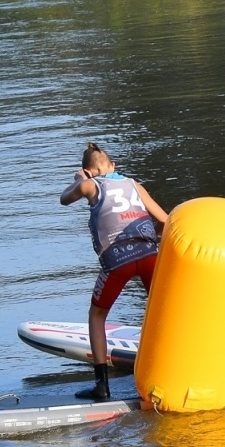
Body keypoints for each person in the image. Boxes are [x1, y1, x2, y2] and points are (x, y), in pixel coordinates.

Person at [59, 143, 169, 401]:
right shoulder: (134, 185)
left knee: (97, 315)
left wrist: (78, 181)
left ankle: (101, 386)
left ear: (88, 170)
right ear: (113, 166)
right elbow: (165, 220)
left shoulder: (90, 185)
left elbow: (63, 199)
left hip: (118, 262)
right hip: (149, 256)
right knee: (162, 309)